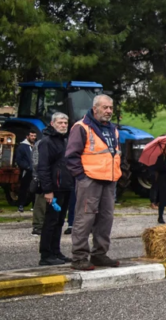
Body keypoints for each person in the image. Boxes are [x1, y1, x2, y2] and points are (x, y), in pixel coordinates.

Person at [65, 95, 122, 270]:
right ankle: (79, 257)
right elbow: (71, 156)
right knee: (85, 218)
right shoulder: (81, 127)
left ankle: (99, 254)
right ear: (95, 108)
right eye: (105, 107)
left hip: (109, 180)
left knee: (106, 218)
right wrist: (82, 177)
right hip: (89, 179)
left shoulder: (113, 129)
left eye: (111, 108)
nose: (109, 111)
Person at [37, 113, 74, 265]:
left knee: (59, 221)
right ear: (53, 123)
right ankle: (46, 255)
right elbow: (43, 167)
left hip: (66, 186)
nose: (63, 125)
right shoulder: (46, 142)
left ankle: (56, 251)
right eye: (60, 122)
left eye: (65, 122)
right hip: (54, 187)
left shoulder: (65, 140)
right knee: (50, 221)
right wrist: (47, 190)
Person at [15, 131, 36, 212]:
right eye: (32, 136)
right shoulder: (22, 147)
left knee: (35, 188)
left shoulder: (36, 145)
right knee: (24, 188)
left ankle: (34, 206)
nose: (33, 137)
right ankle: (21, 205)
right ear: (27, 136)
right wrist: (27, 167)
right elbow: (19, 160)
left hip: (35, 170)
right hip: (26, 171)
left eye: (34, 136)